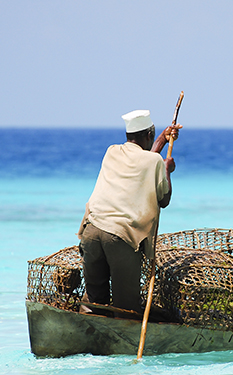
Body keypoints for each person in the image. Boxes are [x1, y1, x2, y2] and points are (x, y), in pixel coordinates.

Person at [77, 109, 181, 315]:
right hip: (120, 237)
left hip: (91, 230)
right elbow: (164, 199)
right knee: (125, 309)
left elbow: (142, 161)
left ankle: (87, 333)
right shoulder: (156, 163)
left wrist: (161, 138)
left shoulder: (112, 151)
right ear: (148, 136)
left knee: (94, 302)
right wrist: (167, 171)